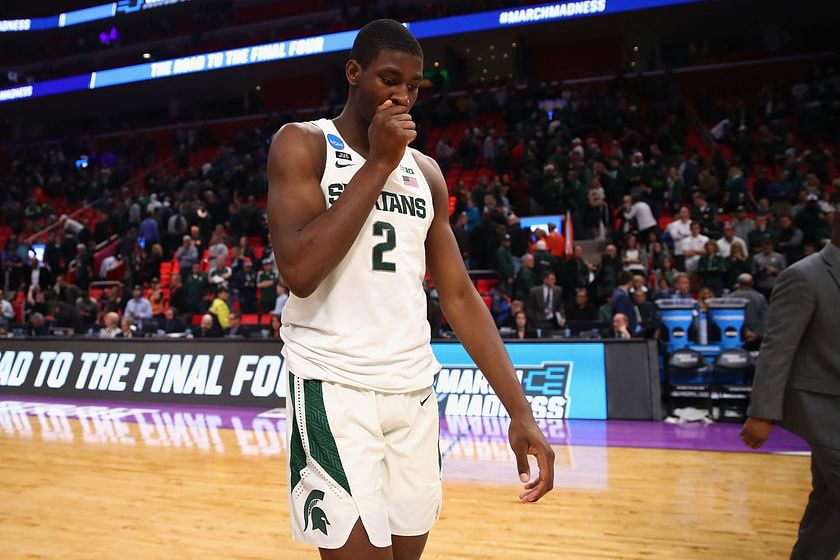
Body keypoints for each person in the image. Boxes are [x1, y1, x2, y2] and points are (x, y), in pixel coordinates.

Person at [266, 19, 553, 559]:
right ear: (354, 73)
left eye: (414, 85)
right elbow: (299, 272)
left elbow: (460, 296)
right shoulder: (302, 144)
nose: (402, 96)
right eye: (388, 79)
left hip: (414, 390)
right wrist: (377, 162)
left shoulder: (427, 172)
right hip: (333, 384)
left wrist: (520, 411)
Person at [740, 210, 840, 559]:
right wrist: (762, 414)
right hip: (825, 415)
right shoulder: (804, 276)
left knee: (828, 512)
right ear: (837, 221)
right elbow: (777, 349)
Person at [729, 273, 768, 347]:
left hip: (736, 335)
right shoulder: (760, 297)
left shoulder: (731, 297)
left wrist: (745, 331)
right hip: (757, 337)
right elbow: (765, 318)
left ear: (738, 283)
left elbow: (730, 317)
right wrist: (756, 333)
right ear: (752, 283)